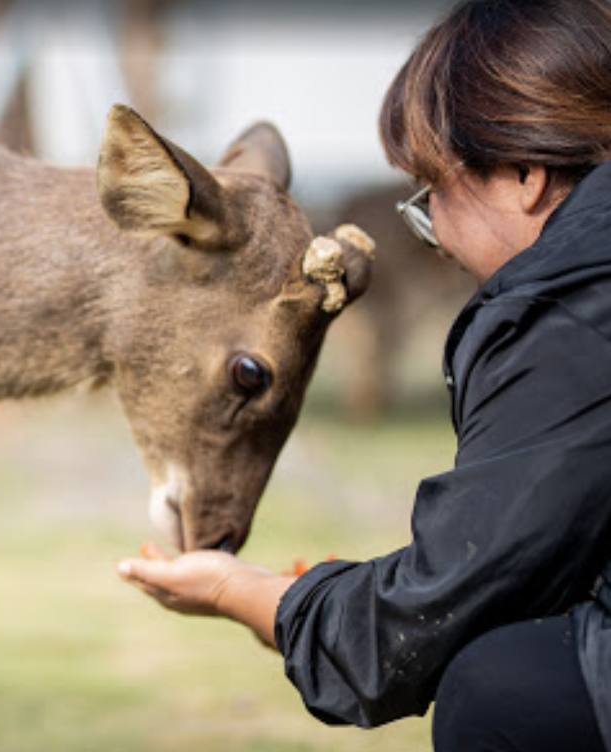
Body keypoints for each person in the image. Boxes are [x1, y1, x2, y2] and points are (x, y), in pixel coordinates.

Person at [117, 1, 611, 750]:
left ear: (522, 174)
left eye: (430, 195)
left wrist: (250, 594)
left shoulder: (569, 306)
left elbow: (413, 631)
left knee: (505, 689)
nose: (435, 236)